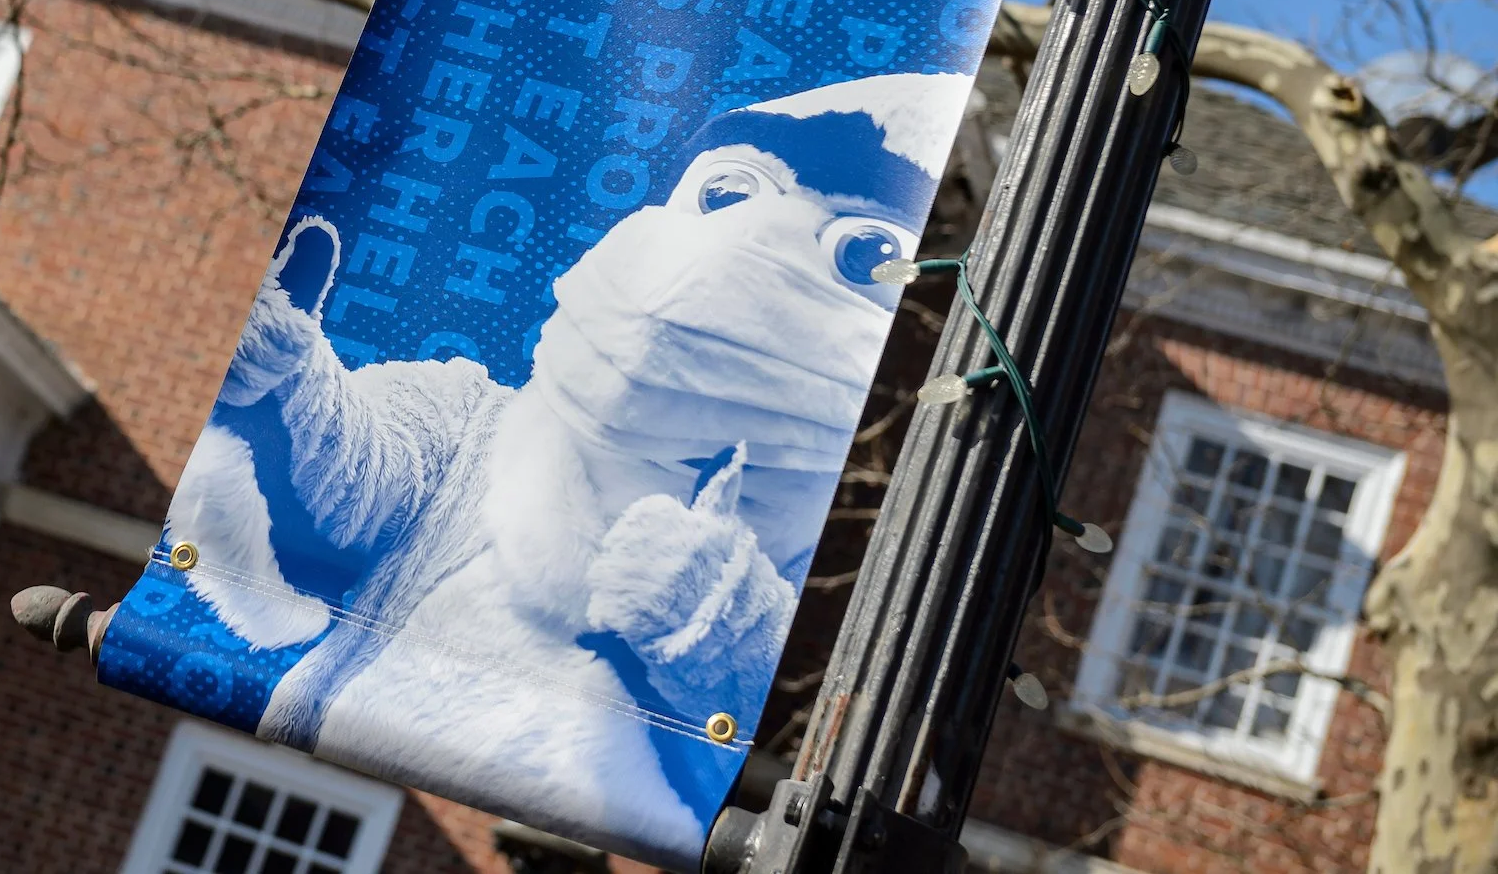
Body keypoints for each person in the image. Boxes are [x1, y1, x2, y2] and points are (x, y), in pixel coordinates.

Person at [162, 71, 970, 862]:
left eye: (864, 250)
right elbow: (360, 476)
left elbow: (841, 715)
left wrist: (726, 626)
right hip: (358, 747)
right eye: (728, 192)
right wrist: (286, 384)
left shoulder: (843, 543)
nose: (739, 246)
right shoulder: (473, 421)